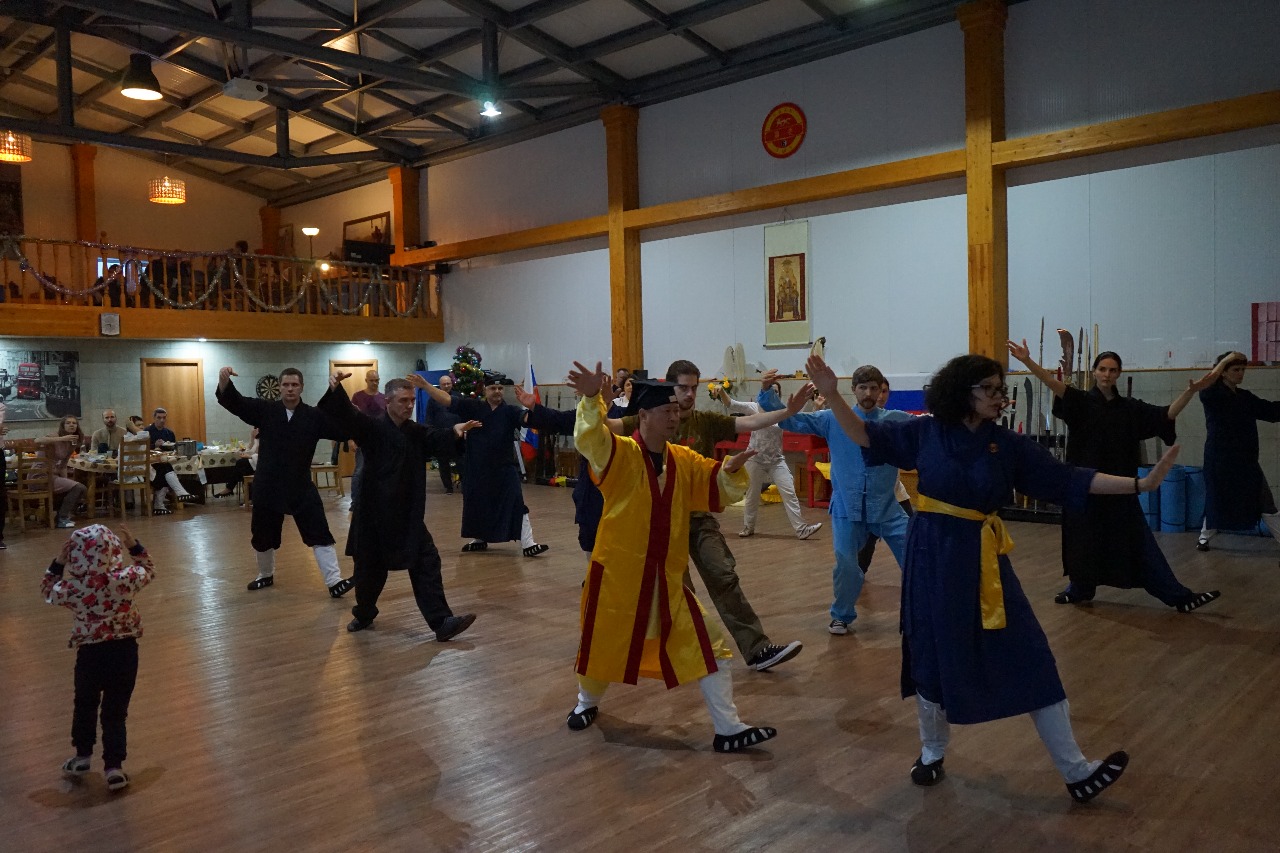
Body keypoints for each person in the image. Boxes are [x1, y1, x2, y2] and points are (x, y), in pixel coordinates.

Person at [809, 352, 1183, 803]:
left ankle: (1076, 770)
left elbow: (1067, 479)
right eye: (988, 389)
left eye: (1000, 389)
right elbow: (864, 435)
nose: (998, 397)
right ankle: (931, 752)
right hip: (933, 556)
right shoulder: (925, 432)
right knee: (931, 654)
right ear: (961, 392)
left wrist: (1139, 484)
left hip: (985, 560)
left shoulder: (1006, 444)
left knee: (1031, 654)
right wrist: (831, 395)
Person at [563, 363, 777, 752]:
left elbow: (715, 486)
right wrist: (592, 399)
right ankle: (585, 702)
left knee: (713, 647)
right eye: (667, 411)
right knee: (601, 651)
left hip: (667, 582)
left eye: (677, 411)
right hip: (617, 582)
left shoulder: (684, 459)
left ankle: (728, 729)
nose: (675, 417)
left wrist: (728, 472)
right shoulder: (619, 454)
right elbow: (590, 438)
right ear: (644, 415)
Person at [616, 359, 809, 672]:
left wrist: (788, 411)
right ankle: (685, 652)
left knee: (723, 575)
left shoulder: (704, 421)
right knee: (678, 590)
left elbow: (750, 422)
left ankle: (757, 649)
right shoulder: (648, 418)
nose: (690, 394)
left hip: (698, 516)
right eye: (683, 388)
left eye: (694, 387)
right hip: (660, 521)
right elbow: (605, 431)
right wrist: (591, 402)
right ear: (670, 388)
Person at [1010, 340, 1227, 610]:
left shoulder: (1131, 409)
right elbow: (1052, 383)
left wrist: (1190, 391)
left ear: (1119, 374)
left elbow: (1166, 415)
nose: (1107, 374)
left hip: (1120, 488)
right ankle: (1079, 588)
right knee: (1081, 540)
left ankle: (1179, 597)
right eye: (1102, 369)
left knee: (1139, 543)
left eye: (1112, 370)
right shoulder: (1080, 402)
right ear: (1094, 371)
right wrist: (1026, 361)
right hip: (1085, 485)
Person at [320, 374, 478, 638]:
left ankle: (441, 622)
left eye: (412, 400)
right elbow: (348, 416)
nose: (409, 405)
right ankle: (364, 614)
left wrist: (455, 431)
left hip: (407, 515)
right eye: (403, 400)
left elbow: (437, 437)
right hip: (373, 517)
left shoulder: (415, 432)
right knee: (369, 572)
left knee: (427, 561)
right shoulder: (371, 428)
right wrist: (335, 390)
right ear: (388, 401)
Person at [758, 365, 908, 634]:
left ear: (881, 391)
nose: (868, 393)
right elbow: (791, 420)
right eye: (863, 387)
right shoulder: (831, 419)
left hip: (886, 508)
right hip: (847, 509)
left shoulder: (894, 420)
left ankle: (922, 613)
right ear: (853, 390)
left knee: (917, 556)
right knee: (846, 564)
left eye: (874, 388)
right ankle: (842, 615)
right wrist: (767, 392)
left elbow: (932, 424)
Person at [216, 366, 354, 598]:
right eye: (286, 385)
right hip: (267, 485)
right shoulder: (265, 410)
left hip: (300, 485)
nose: (290, 389)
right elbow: (236, 403)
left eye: (295, 385)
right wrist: (223, 382)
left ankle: (334, 581)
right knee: (263, 533)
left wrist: (334, 390)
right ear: (279, 387)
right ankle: (265, 574)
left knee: (319, 529)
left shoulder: (313, 416)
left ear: (301, 387)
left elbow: (341, 428)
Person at [41, 523, 154, 793]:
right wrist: (134, 546)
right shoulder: (124, 579)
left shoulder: (75, 587)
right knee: (116, 712)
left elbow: (47, 590)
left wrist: (58, 563)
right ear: (114, 550)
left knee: (85, 704)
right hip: (125, 653)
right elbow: (148, 569)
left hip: (90, 654)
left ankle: (82, 756)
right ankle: (114, 767)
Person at [414, 371, 549, 557]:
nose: (497, 391)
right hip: (477, 467)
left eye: (500, 388)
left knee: (516, 500)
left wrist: (533, 407)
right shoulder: (473, 407)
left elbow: (527, 418)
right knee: (477, 502)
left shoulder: (510, 411)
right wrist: (425, 386)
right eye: (493, 388)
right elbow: (447, 400)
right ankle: (479, 538)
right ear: (485, 390)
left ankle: (528, 543)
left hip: (504, 468)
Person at [709, 377, 822, 541]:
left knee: (789, 493)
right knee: (752, 495)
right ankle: (748, 527)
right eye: (770, 391)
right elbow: (731, 404)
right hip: (755, 459)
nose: (772, 394)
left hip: (776, 460)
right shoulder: (755, 407)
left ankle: (801, 529)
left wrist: (816, 405)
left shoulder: (784, 411)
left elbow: (801, 417)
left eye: (775, 392)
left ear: (778, 395)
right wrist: (721, 391)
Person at [1197, 351, 1280, 554]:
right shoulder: (1212, 395)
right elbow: (1206, 384)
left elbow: (1270, 411)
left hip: (1246, 461)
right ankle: (1203, 538)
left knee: (1265, 502)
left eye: (1243, 369)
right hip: (1220, 461)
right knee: (1217, 500)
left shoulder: (1245, 397)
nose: (1241, 373)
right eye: (1236, 369)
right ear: (1223, 372)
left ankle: (1204, 537)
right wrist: (1225, 360)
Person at [856, 380, 915, 572]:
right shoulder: (855, 422)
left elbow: (922, 422)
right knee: (862, 554)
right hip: (869, 500)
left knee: (912, 538)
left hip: (896, 495)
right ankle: (855, 579)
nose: (880, 395)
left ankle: (916, 579)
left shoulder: (895, 418)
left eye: (884, 391)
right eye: (876, 390)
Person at [36, 415, 90, 529]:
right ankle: (62, 518)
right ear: (63, 426)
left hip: (54, 476)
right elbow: (38, 440)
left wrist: (67, 482)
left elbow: (63, 466)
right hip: (41, 476)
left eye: (74, 423)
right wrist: (62, 439)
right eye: (68, 423)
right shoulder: (55, 436)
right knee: (80, 487)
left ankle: (60, 516)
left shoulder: (72, 443)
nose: (71, 425)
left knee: (79, 488)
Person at [142, 408, 196, 514]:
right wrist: (154, 445)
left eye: (164, 418)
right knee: (165, 469)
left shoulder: (169, 433)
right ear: (154, 418)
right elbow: (142, 449)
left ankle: (160, 505)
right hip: (150, 464)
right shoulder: (147, 432)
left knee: (165, 468)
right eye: (159, 418)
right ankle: (180, 493)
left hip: (165, 461)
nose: (162, 420)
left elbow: (173, 448)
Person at [425, 374, 460, 495]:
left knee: (461, 461)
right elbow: (429, 418)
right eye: (444, 384)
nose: (446, 386)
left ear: (452, 384)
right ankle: (448, 487)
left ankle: (464, 484)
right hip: (441, 436)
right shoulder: (433, 399)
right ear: (440, 385)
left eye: (448, 383)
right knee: (443, 462)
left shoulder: (458, 397)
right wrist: (431, 433)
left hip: (458, 435)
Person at [212, 428, 259, 501]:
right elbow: (251, 450)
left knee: (241, 464)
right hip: (254, 461)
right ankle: (247, 497)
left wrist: (250, 456)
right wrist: (253, 438)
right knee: (241, 465)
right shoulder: (258, 434)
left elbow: (265, 455)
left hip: (261, 463)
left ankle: (230, 489)